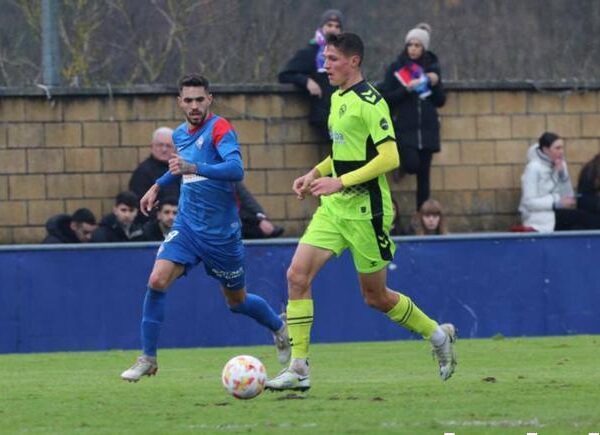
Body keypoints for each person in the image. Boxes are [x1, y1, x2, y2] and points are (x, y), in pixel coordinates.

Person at [265, 33, 457, 393]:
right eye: (325, 59)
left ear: (354, 61)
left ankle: (436, 335)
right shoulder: (337, 97)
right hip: (335, 209)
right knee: (297, 275)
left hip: (368, 210)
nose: (326, 66)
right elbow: (343, 152)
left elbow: (390, 158)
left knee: (375, 297)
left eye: (333, 59)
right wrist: (316, 174)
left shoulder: (372, 102)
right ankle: (300, 367)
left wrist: (340, 182)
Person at [120, 74, 290, 382]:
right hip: (187, 228)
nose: (195, 105)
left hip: (221, 235)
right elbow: (180, 168)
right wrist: (157, 186)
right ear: (180, 102)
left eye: (200, 99)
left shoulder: (220, 128)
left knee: (237, 302)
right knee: (156, 280)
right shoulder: (180, 134)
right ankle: (147, 358)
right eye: (189, 100)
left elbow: (236, 169)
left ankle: (278, 326)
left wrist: (194, 168)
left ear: (209, 99)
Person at [378, 23, 446, 210]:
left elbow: (440, 101)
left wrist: (434, 82)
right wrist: (406, 90)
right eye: (410, 45)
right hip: (405, 129)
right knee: (412, 165)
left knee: (424, 179)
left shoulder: (432, 69)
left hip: (427, 129)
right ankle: (401, 167)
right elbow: (386, 97)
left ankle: (422, 216)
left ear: (424, 48)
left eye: (418, 45)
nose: (413, 49)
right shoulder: (396, 68)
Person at [278, 9, 343, 141]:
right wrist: (307, 81)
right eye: (329, 25)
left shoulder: (344, 53)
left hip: (343, 113)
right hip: (324, 115)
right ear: (322, 27)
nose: (333, 29)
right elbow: (285, 75)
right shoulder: (311, 52)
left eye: (337, 27)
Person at [519, 132, 600, 232]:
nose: (561, 152)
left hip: (557, 213)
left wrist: (562, 175)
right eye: (557, 148)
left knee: (585, 223)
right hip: (538, 217)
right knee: (584, 219)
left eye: (562, 148)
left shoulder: (561, 164)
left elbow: (568, 196)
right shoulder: (533, 169)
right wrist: (555, 203)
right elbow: (528, 202)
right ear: (546, 150)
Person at [129, 127, 179, 222]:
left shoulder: (180, 170)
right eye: (160, 145)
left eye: (168, 146)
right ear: (151, 146)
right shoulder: (142, 172)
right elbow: (140, 204)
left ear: (175, 149)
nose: (164, 149)